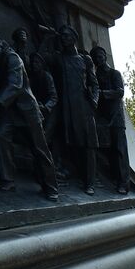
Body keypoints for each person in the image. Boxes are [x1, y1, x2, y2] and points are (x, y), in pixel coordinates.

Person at [0, 35, 59, 200]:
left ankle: (51, 187)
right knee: (1, 135)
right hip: (9, 110)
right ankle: (7, 179)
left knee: (39, 148)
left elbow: (15, 84)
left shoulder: (13, 58)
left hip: (26, 109)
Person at [53, 24, 101, 195]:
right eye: (61, 36)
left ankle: (90, 182)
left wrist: (94, 100)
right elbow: (42, 59)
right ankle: (74, 176)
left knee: (89, 145)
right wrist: (47, 38)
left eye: (66, 35)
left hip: (84, 107)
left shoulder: (85, 60)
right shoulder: (60, 59)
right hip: (67, 107)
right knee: (72, 144)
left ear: (74, 38)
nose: (63, 38)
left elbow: (94, 84)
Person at [90, 44, 131, 194]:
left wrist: (101, 93)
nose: (98, 59)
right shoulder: (94, 76)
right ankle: (112, 178)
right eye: (96, 57)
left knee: (120, 150)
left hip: (116, 118)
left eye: (100, 56)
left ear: (105, 57)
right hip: (102, 118)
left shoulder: (115, 73)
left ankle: (124, 183)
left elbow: (120, 92)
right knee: (107, 150)